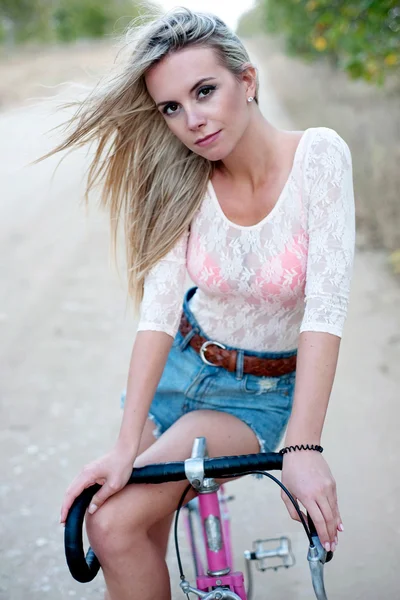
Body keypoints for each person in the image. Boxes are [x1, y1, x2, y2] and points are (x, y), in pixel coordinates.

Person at [54, 8, 355, 600]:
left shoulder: (319, 157)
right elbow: (160, 310)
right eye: (171, 107)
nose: (192, 120)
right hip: (180, 370)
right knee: (116, 522)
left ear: (246, 81)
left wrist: (303, 444)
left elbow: (326, 305)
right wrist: (123, 444)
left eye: (204, 91)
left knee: (111, 523)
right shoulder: (184, 178)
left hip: (254, 396)